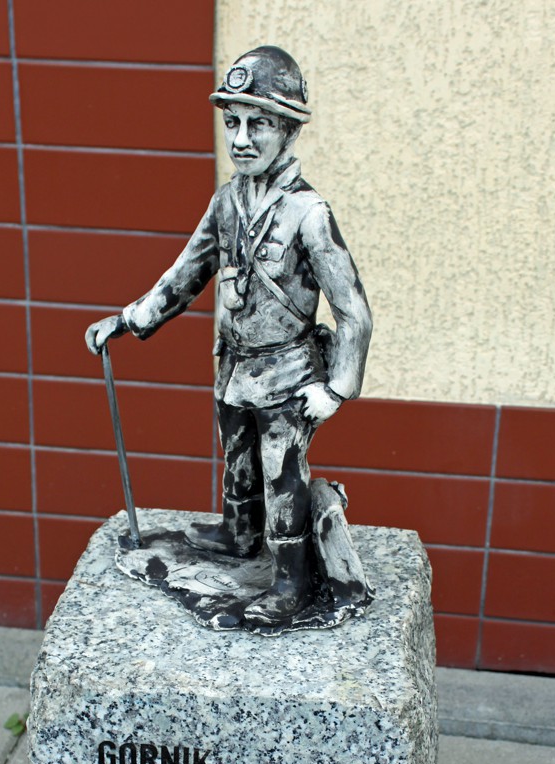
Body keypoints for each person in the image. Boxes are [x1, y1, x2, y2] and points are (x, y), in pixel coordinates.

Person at [86, 45, 372, 627]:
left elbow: (354, 312)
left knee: (281, 475)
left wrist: (336, 388)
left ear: (289, 130)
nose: (241, 138)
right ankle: (240, 534)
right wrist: (129, 319)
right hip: (236, 366)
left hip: (288, 374)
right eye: (232, 122)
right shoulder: (227, 202)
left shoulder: (308, 213)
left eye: (257, 124)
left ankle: (291, 582)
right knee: (237, 458)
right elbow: (186, 273)